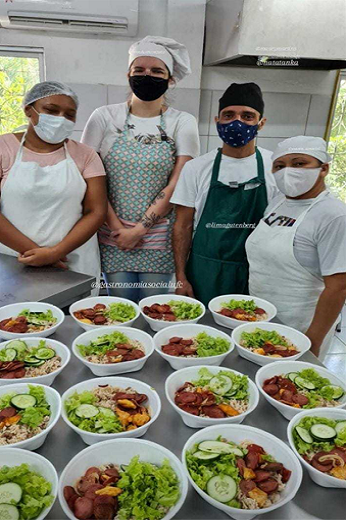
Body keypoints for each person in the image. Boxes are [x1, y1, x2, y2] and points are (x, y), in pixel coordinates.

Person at [81, 35, 200, 302]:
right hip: (112, 232)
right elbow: (89, 179)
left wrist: (140, 230)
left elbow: (177, 182)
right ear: (128, 75)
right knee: (120, 310)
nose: (148, 76)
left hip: (158, 236)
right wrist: (117, 229)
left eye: (157, 71)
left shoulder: (182, 121)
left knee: (154, 309)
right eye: (140, 70)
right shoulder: (103, 117)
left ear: (170, 79)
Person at [171, 82, 278, 305]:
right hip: (203, 271)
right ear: (217, 121)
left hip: (256, 272)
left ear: (261, 123)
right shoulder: (196, 168)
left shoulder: (274, 167)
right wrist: (181, 276)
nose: (237, 121)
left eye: (247, 116)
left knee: (249, 334)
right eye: (228, 115)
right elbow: (182, 226)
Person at [245, 136, 346, 359]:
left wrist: (313, 341)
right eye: (280, 166)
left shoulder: (334, 215)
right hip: (260, 317)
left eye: (299, 163)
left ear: (324, 168)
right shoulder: (278, 202)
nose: (288, 171)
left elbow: (338, 287)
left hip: (301, 327)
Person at [0, 81, 107, 287]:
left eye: (69, 114)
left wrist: (56, 252)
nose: (61, 119)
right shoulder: (4, 148)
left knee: (77, 316)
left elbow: (96, 211)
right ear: (29, 111)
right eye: (51, 110)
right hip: (14, 259)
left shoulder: (86, 155)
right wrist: (39, 254)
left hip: (72, 261)